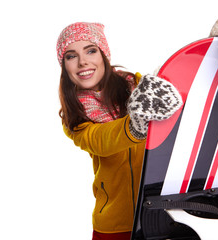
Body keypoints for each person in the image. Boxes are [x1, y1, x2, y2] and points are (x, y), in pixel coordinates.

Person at [56, 22, 182, 240]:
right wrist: (135, 126)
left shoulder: (138, 86)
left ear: (103, 54)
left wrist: (212, 51)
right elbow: (100, 141)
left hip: (167, 212)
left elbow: (180, 91)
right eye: (71, 56)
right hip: (116, 225)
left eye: (91, 50)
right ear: (64, 66)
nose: (83, 61)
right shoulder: (74, 116)